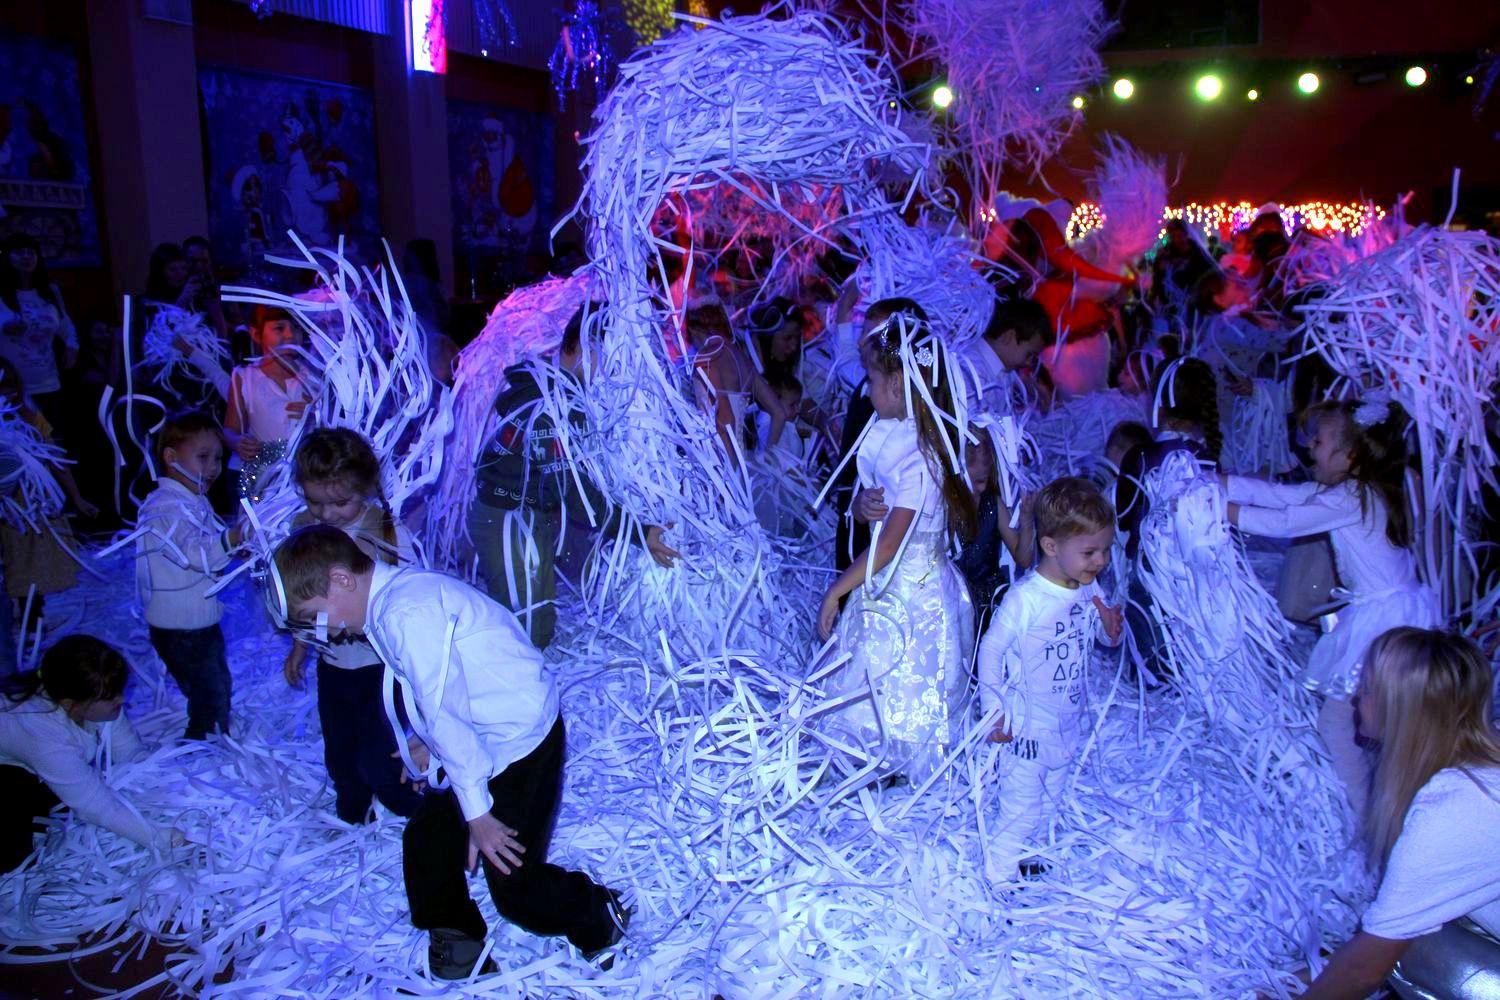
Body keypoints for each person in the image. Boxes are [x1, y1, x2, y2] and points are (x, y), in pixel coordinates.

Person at [271, 525, 631, 979]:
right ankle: (459, 941)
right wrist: (428, 743)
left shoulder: (406, 613)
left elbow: (447, 714)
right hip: (482, 737)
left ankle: (597, 914)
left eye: (314, 616)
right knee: (425, 841)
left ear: (341, 580)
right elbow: (447, 689)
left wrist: (478, 814)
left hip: (520, 742)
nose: (321, 631)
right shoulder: (389, 606)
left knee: (514, 884)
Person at [1225, 399, 1439, 818]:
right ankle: (1382, 801)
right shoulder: (1357, 492)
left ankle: (1363, 815)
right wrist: (1222, 485)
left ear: (1350, 455)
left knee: (1339, 724)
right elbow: (1282, 496)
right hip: (1395, 613)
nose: (1309, 447)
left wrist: (1217, 507)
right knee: (1375, 721)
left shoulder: (1350, 498)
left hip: (1384, 624)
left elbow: (1284, 522)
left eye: (1319, 441)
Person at [816, 310, 976, 783]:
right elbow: (882, 516)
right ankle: (877, 762)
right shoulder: (901, 440)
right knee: (874, 678)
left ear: (897, 384)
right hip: (886, 584)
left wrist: (837, 590)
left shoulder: (921, 458)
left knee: (902, 679)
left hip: (910, 594)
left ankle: (898, 765)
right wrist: (861, 507)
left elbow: (890, 545)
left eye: (871, 380)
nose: (866, 391)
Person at [1297, 627, 1500, 1000]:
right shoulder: (1480, 767)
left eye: (1367, 689)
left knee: (1412, 950)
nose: (1356, 697)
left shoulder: (1454, 807)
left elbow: (1364, 971)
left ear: (1400, 708)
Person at [470, 305, 680, 649]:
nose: (609, 370)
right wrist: (638, 532)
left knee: (539, 622)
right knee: (525, 629)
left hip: (525, 517)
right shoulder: (549, 404)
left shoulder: (556, 392)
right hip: (508, 518)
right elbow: (572, 487)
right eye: (606, 356)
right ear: (581, 345)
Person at [976, 477, 1123, 879]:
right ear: (1051, 546)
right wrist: (993, 709)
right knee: (1020, 807)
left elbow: (1101, 638)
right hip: (1026, 727)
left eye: (1106, 550)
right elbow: (991, 649)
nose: (1101, 561)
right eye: (1090, 552)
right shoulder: (1027, 598)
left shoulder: (1087, 588)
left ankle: (1032, 861)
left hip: (1066, 721)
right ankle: (999, 877)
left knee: (1051, 797)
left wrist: (1109, 629)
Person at [283, 429, 424, 824]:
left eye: (340, 502)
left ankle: (414, 809)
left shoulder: (386, 533)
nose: (326, 515)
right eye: (314, 502)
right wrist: (299, 646)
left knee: (380, 750)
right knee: (340, 747)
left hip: (380, 668)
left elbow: (411, 600)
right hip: (333, 666)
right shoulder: (303, 530)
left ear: (364, 489)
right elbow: (300, 593)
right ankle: (354, 811)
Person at [0, 634, 184, 873]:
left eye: (119, 690)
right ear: (71, 704)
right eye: (110, 697)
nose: (121, 699)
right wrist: (158, 838)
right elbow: (94, 805)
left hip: (31, 764)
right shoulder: (41, 732)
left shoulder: (95, 698)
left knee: (65, 804)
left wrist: (167, 792)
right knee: (17, 862)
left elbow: (130, 754)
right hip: (8, 774)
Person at [135, 410, 242, 740]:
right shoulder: (167, 507)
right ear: (171, 458)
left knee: (213, 683)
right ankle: (202, 742)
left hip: (195, 620)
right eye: (203, 457)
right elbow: (194, 554)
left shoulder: (190, 500)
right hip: (183, 627)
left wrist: (234, 546)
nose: (213, 467)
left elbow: (208, 547)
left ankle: (211, 730)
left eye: (219, 458)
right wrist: (232, 539)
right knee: (210, 691)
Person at [1115, 359, 1220, 681]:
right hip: (1194, 575)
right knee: (1188, 651)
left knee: (1150, 655)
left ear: (1158, 404)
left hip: (1148, 572)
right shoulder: (1207, 459)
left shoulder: (1140, 456)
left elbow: (1124, 519)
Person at [0, 359, 95, 638]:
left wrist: (77, 498)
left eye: (11, 387)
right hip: (7, 509)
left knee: (30, 566)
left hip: (30, 509)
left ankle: (31, 622)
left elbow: (57, 461)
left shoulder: (32, 419)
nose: (8, 394)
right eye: (2, 388)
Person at [830, 297, 926, 573]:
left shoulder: (905, 415)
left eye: (873, 336)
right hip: (856, 510)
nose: (862, 343)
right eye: (863, 333)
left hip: (885, 524)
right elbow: (845, 362)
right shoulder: (867, 381)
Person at [223, 305, 311, 500]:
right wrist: (238, 442)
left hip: (306, 475)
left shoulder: (314, 376)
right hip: (264, 481)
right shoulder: (245, 377)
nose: (290, 335)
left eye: (296, 327)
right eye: (279, 328)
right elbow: (230, 429)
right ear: (256, 334)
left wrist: (315, 415)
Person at [954, 428, 1033, 636]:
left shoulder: (993, 503)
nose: (982, 469)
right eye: (972, 460)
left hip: (991, 605)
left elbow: (1024, 559)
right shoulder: (945, 506)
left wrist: (1027, 522)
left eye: (986, 460)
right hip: (955, 603)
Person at [0, 233, 78, 435]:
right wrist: (4, 326)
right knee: (24, 440)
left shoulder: (50, 291)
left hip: (49, 381)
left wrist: (72, 345)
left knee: (53, 438)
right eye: (19, 252)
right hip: (13, 387)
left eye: (31, 252)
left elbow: (65, 325)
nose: (26, 256)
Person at [963, 296, 1050, 415]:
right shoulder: (971, 371)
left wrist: (1029, 386)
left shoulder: (1003, 370)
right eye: (1029, 354)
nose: (1029, 363)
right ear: (1008, 337)